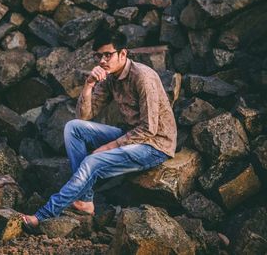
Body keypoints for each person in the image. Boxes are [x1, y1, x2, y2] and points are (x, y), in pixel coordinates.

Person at [22, 30, 177, 229]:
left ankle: (43, 215)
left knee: (93, 161)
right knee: (73, 127)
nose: (102, 60)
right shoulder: (110, 77)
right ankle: (86, 199)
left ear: (123, 54)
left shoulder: (143, 77)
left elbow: (149, 128)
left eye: (108, 54)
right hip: (131, 135)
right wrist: (88, 85)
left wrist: (108, 147)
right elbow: (85, 116)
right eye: (98, 56)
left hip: (155, 145)